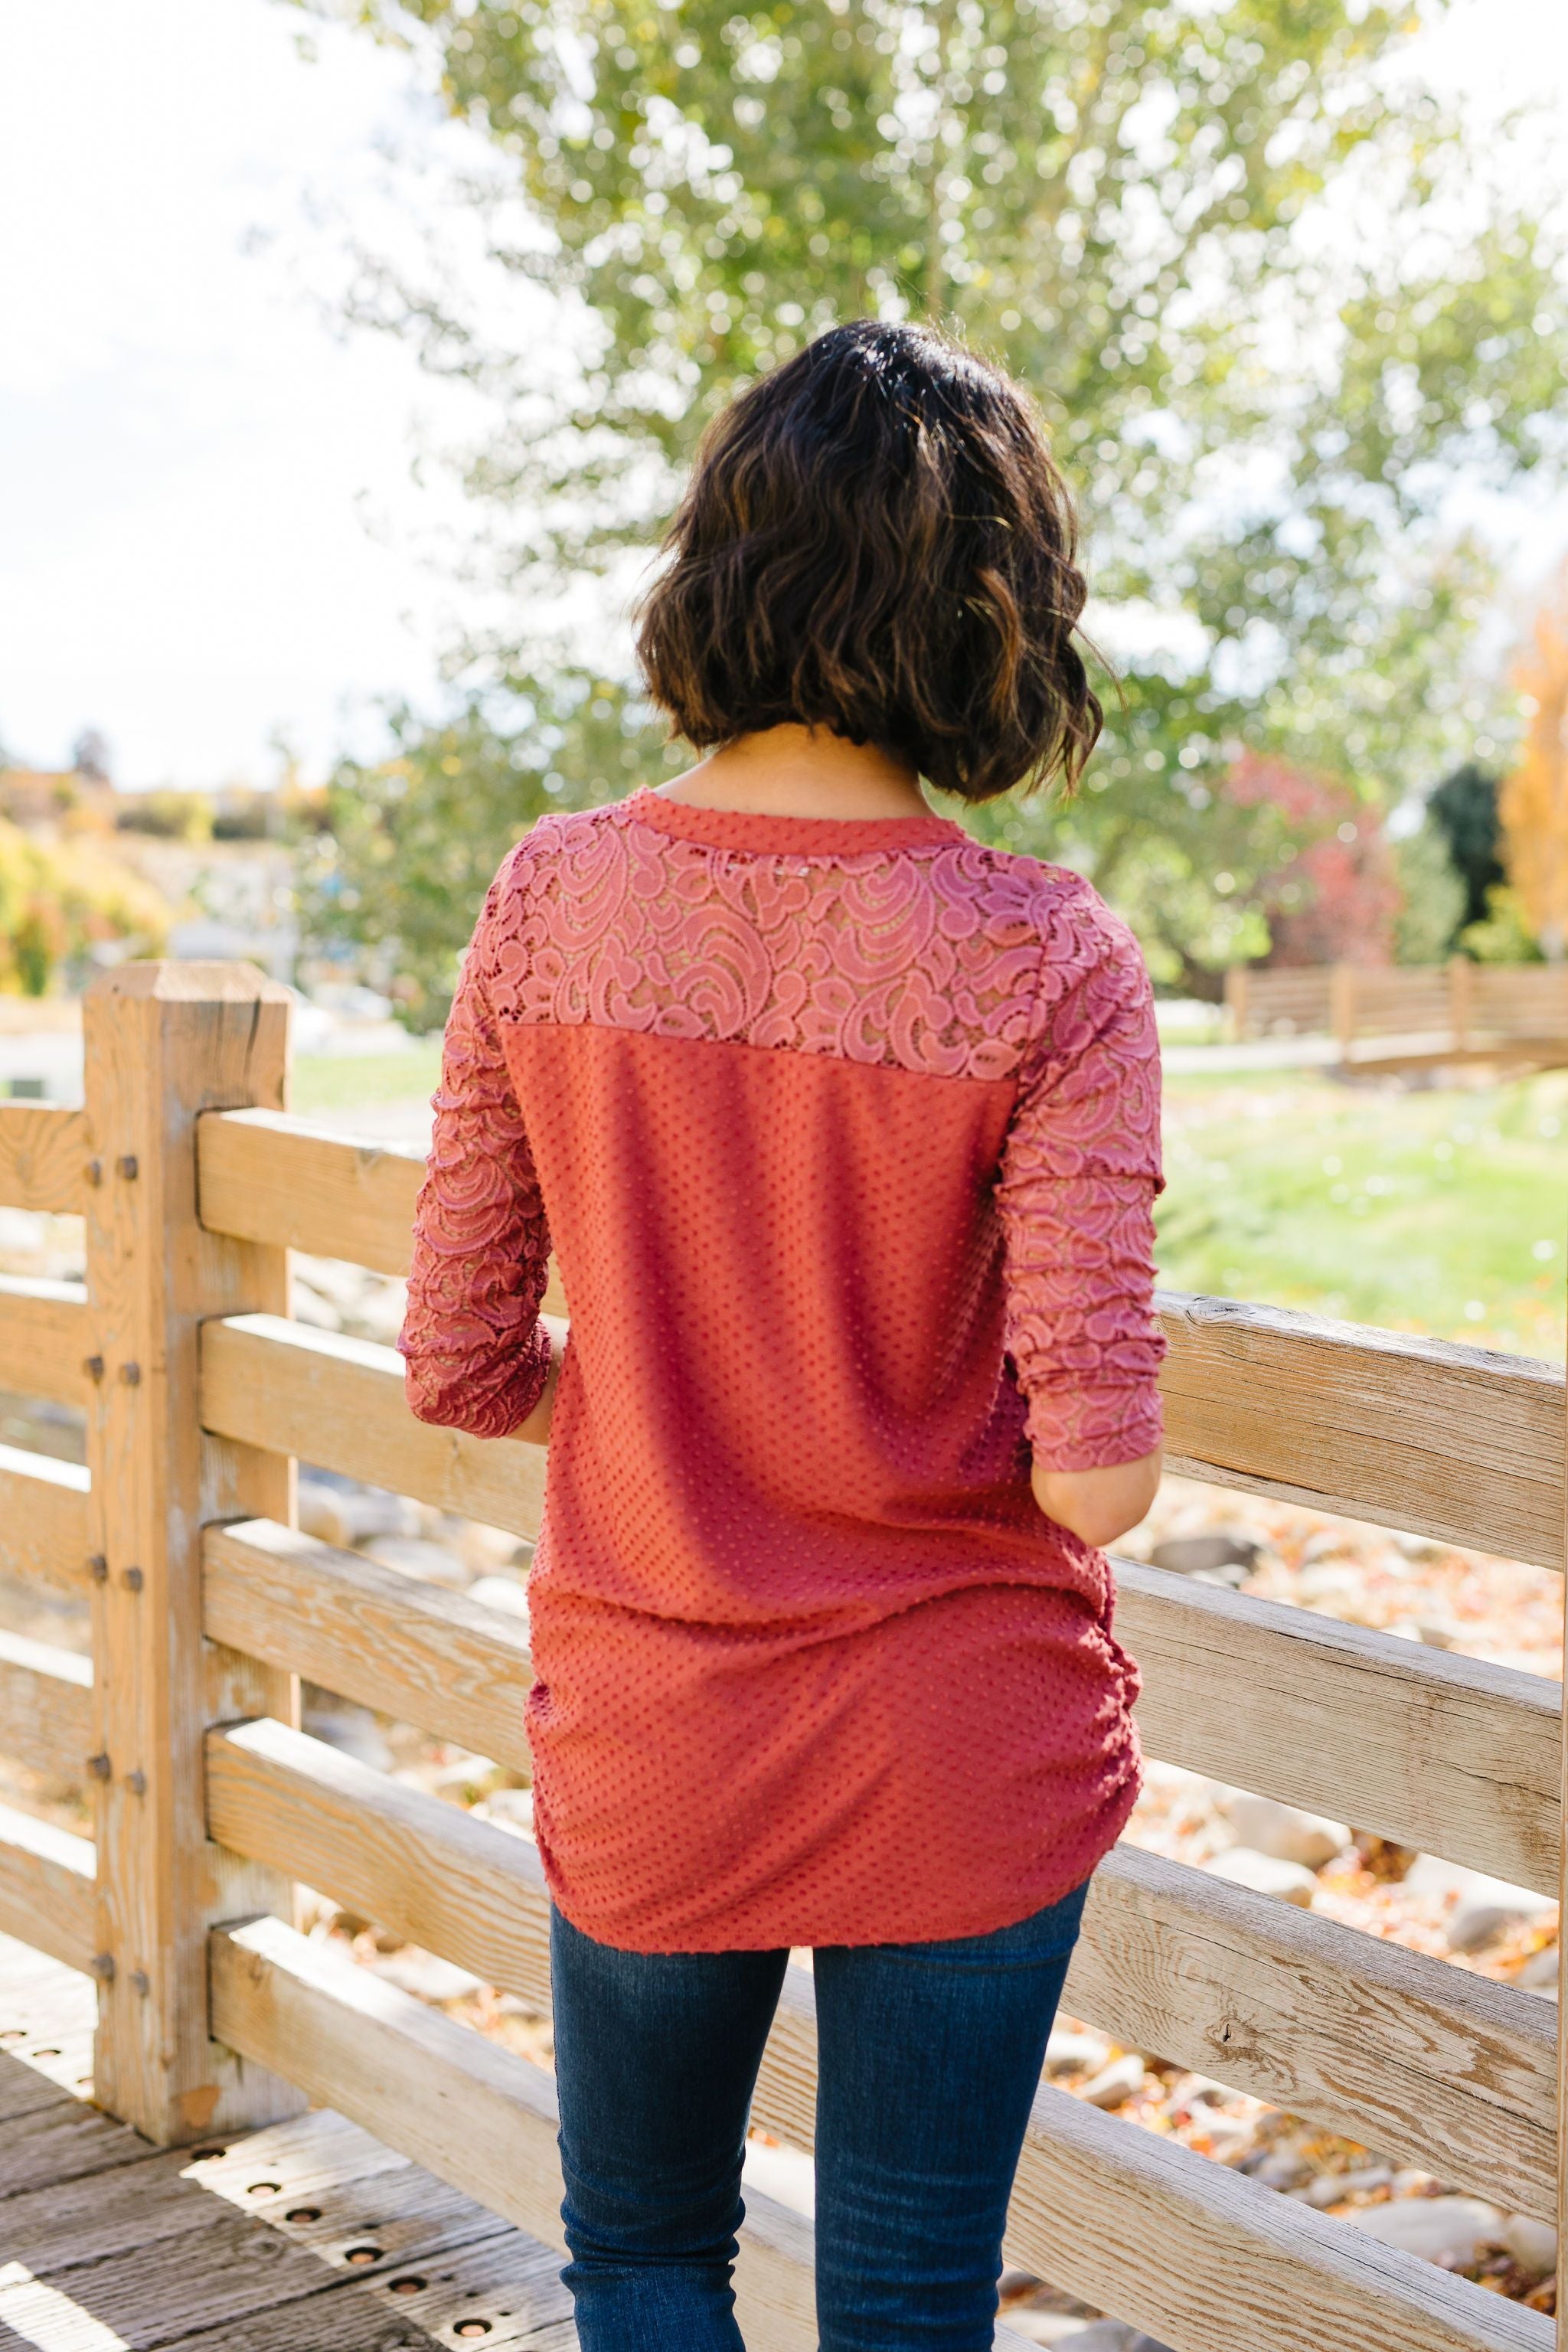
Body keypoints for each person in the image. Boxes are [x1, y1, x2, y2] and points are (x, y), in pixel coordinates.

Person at [400, 318, 1165, 2352]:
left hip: (657, 1720)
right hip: (960, 1737)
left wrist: (680, 1395)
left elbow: (461, 1357)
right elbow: (1101, 1472)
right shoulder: (1047, 959)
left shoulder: (552, 904)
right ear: (998, 613)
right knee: (909, 2297)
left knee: (645, 2257)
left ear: (717, 569)